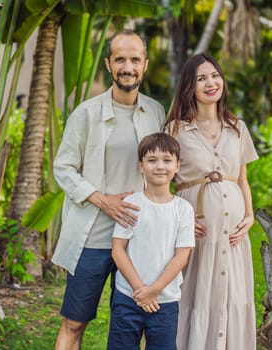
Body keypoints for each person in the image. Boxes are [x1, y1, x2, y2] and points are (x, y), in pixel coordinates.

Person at [52, 29, 165, 350]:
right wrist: (103, 201)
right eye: (120, 59)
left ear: (145, 64)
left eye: (134, 59)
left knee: (132, 326)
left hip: (138, 239)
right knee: (74, 322)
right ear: (108, 64)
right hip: (93, 238)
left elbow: (166, 168)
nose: (127, 67)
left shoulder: (156, 112)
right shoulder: (86, 113)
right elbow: (63, 167)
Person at [165, 53, 258, 350]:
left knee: (233, 292)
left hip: (233, 235)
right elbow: (161, 182)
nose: (210, 82)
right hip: (196, 232)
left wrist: (250, 215)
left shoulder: (237, 127)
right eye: (201, 78)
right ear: (189, 87)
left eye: (215, 75)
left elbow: (242, 179)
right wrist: (181, 221)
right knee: (197, 291)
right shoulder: (175, 130)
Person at [107, 132, 195, 350]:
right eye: (152, 160)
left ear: (177, 166)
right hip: (128, 297)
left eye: (167, 160)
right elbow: (118, 250)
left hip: (165, 301)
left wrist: (154, 289)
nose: (160, 166)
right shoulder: (131, 204)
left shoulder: (183, 209)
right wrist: (140, 290)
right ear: (140, 166)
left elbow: (182, 255)